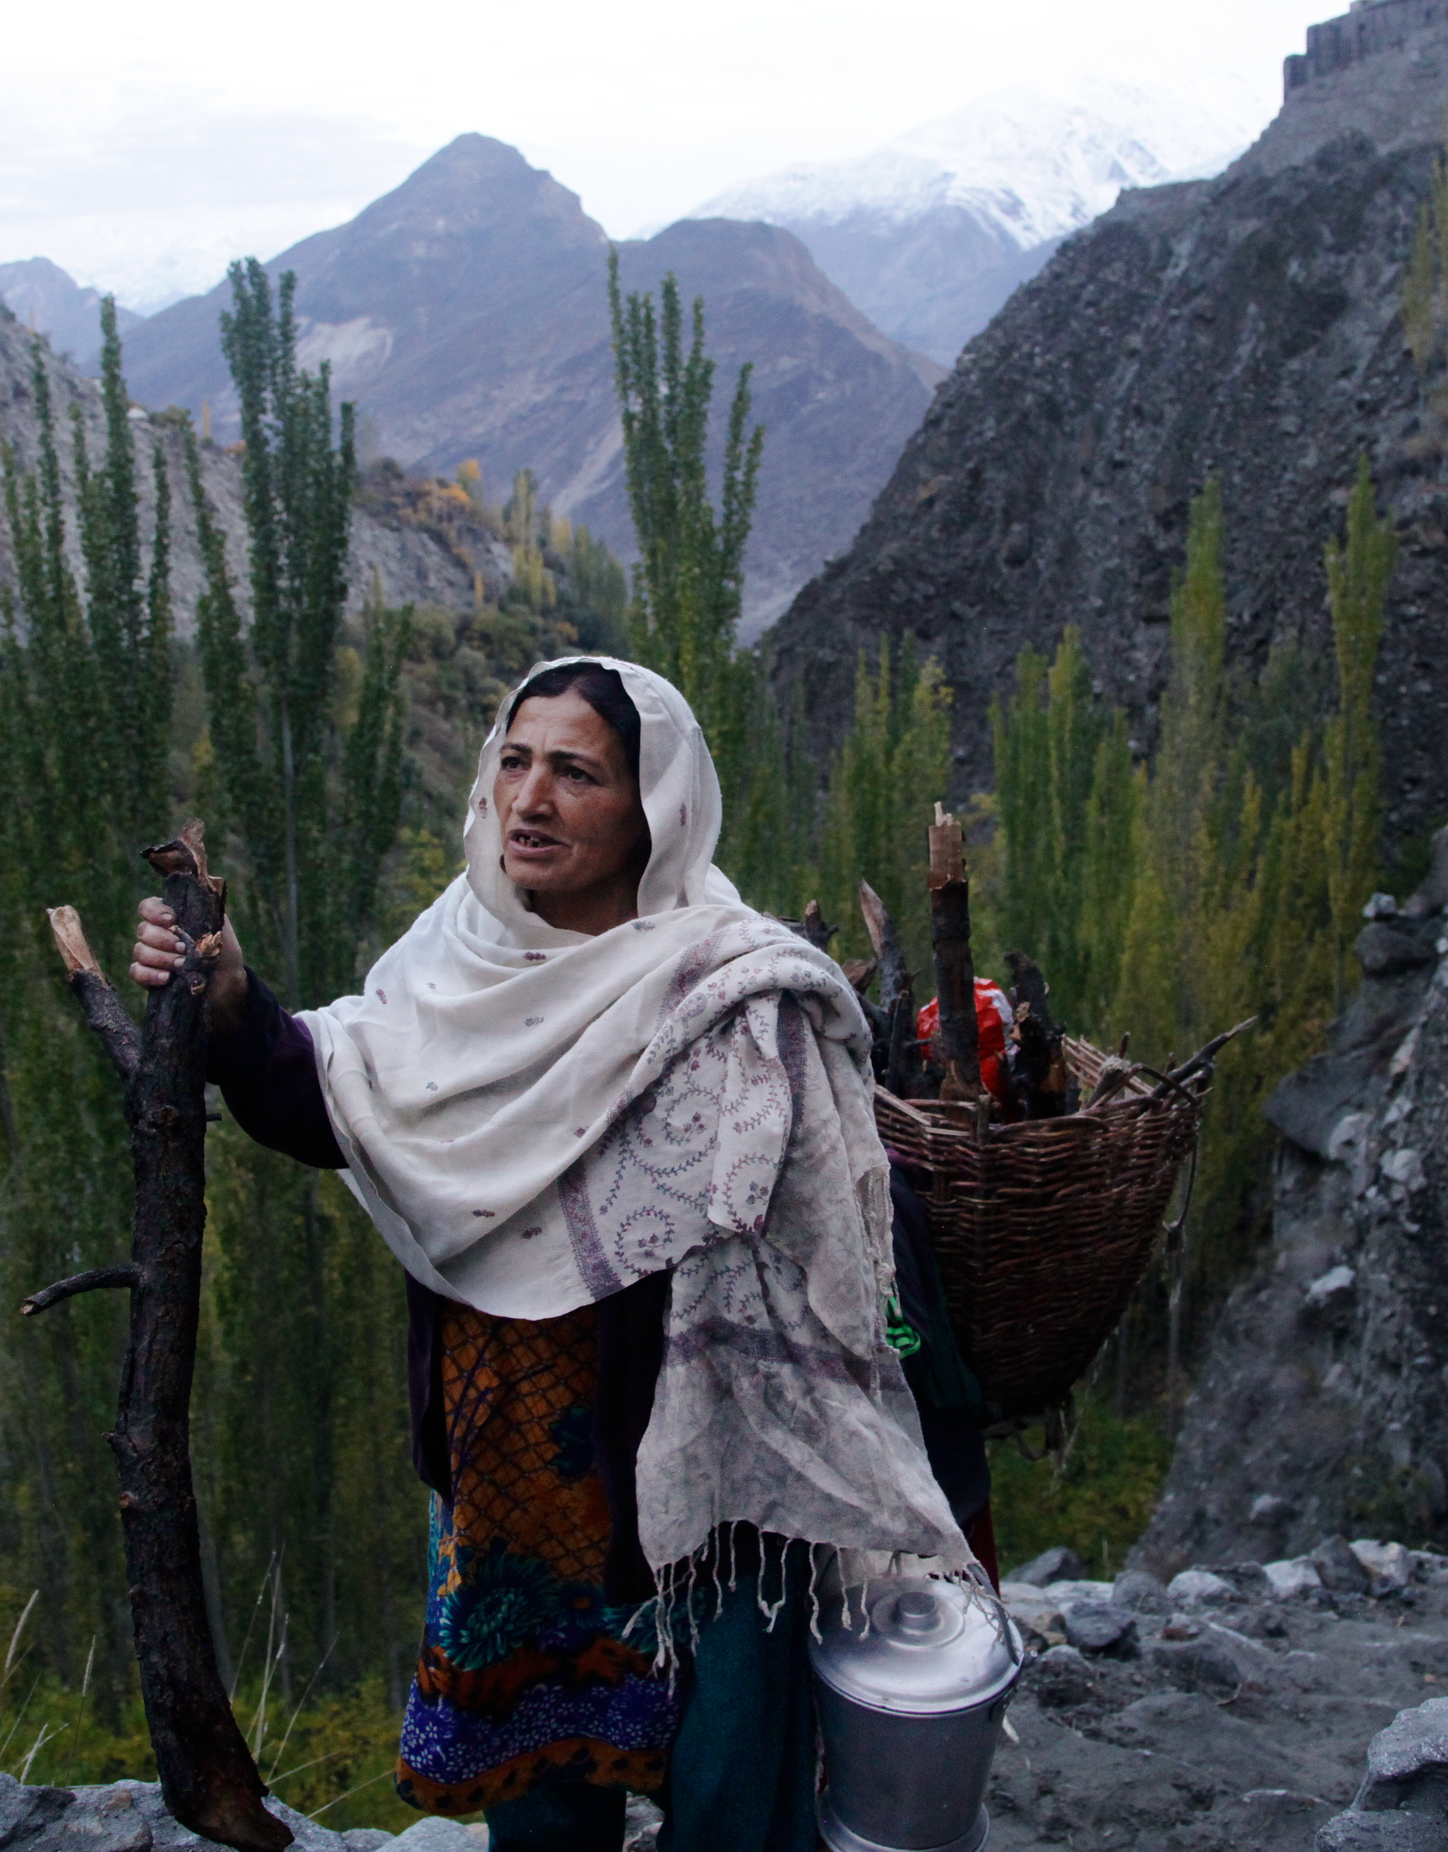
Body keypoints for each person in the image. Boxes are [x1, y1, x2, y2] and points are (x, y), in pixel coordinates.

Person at [132, 657, 970, 1852]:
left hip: (704, 1496)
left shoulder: (735, 990)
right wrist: (230, 1007)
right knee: (540, 1817)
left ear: (654, 808)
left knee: (731, 1800)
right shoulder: (455, 953)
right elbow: (345, 1103)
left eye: (577, 773)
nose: (530, 799)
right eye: (514, 762)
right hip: (511, 1480)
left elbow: (830, 1248)